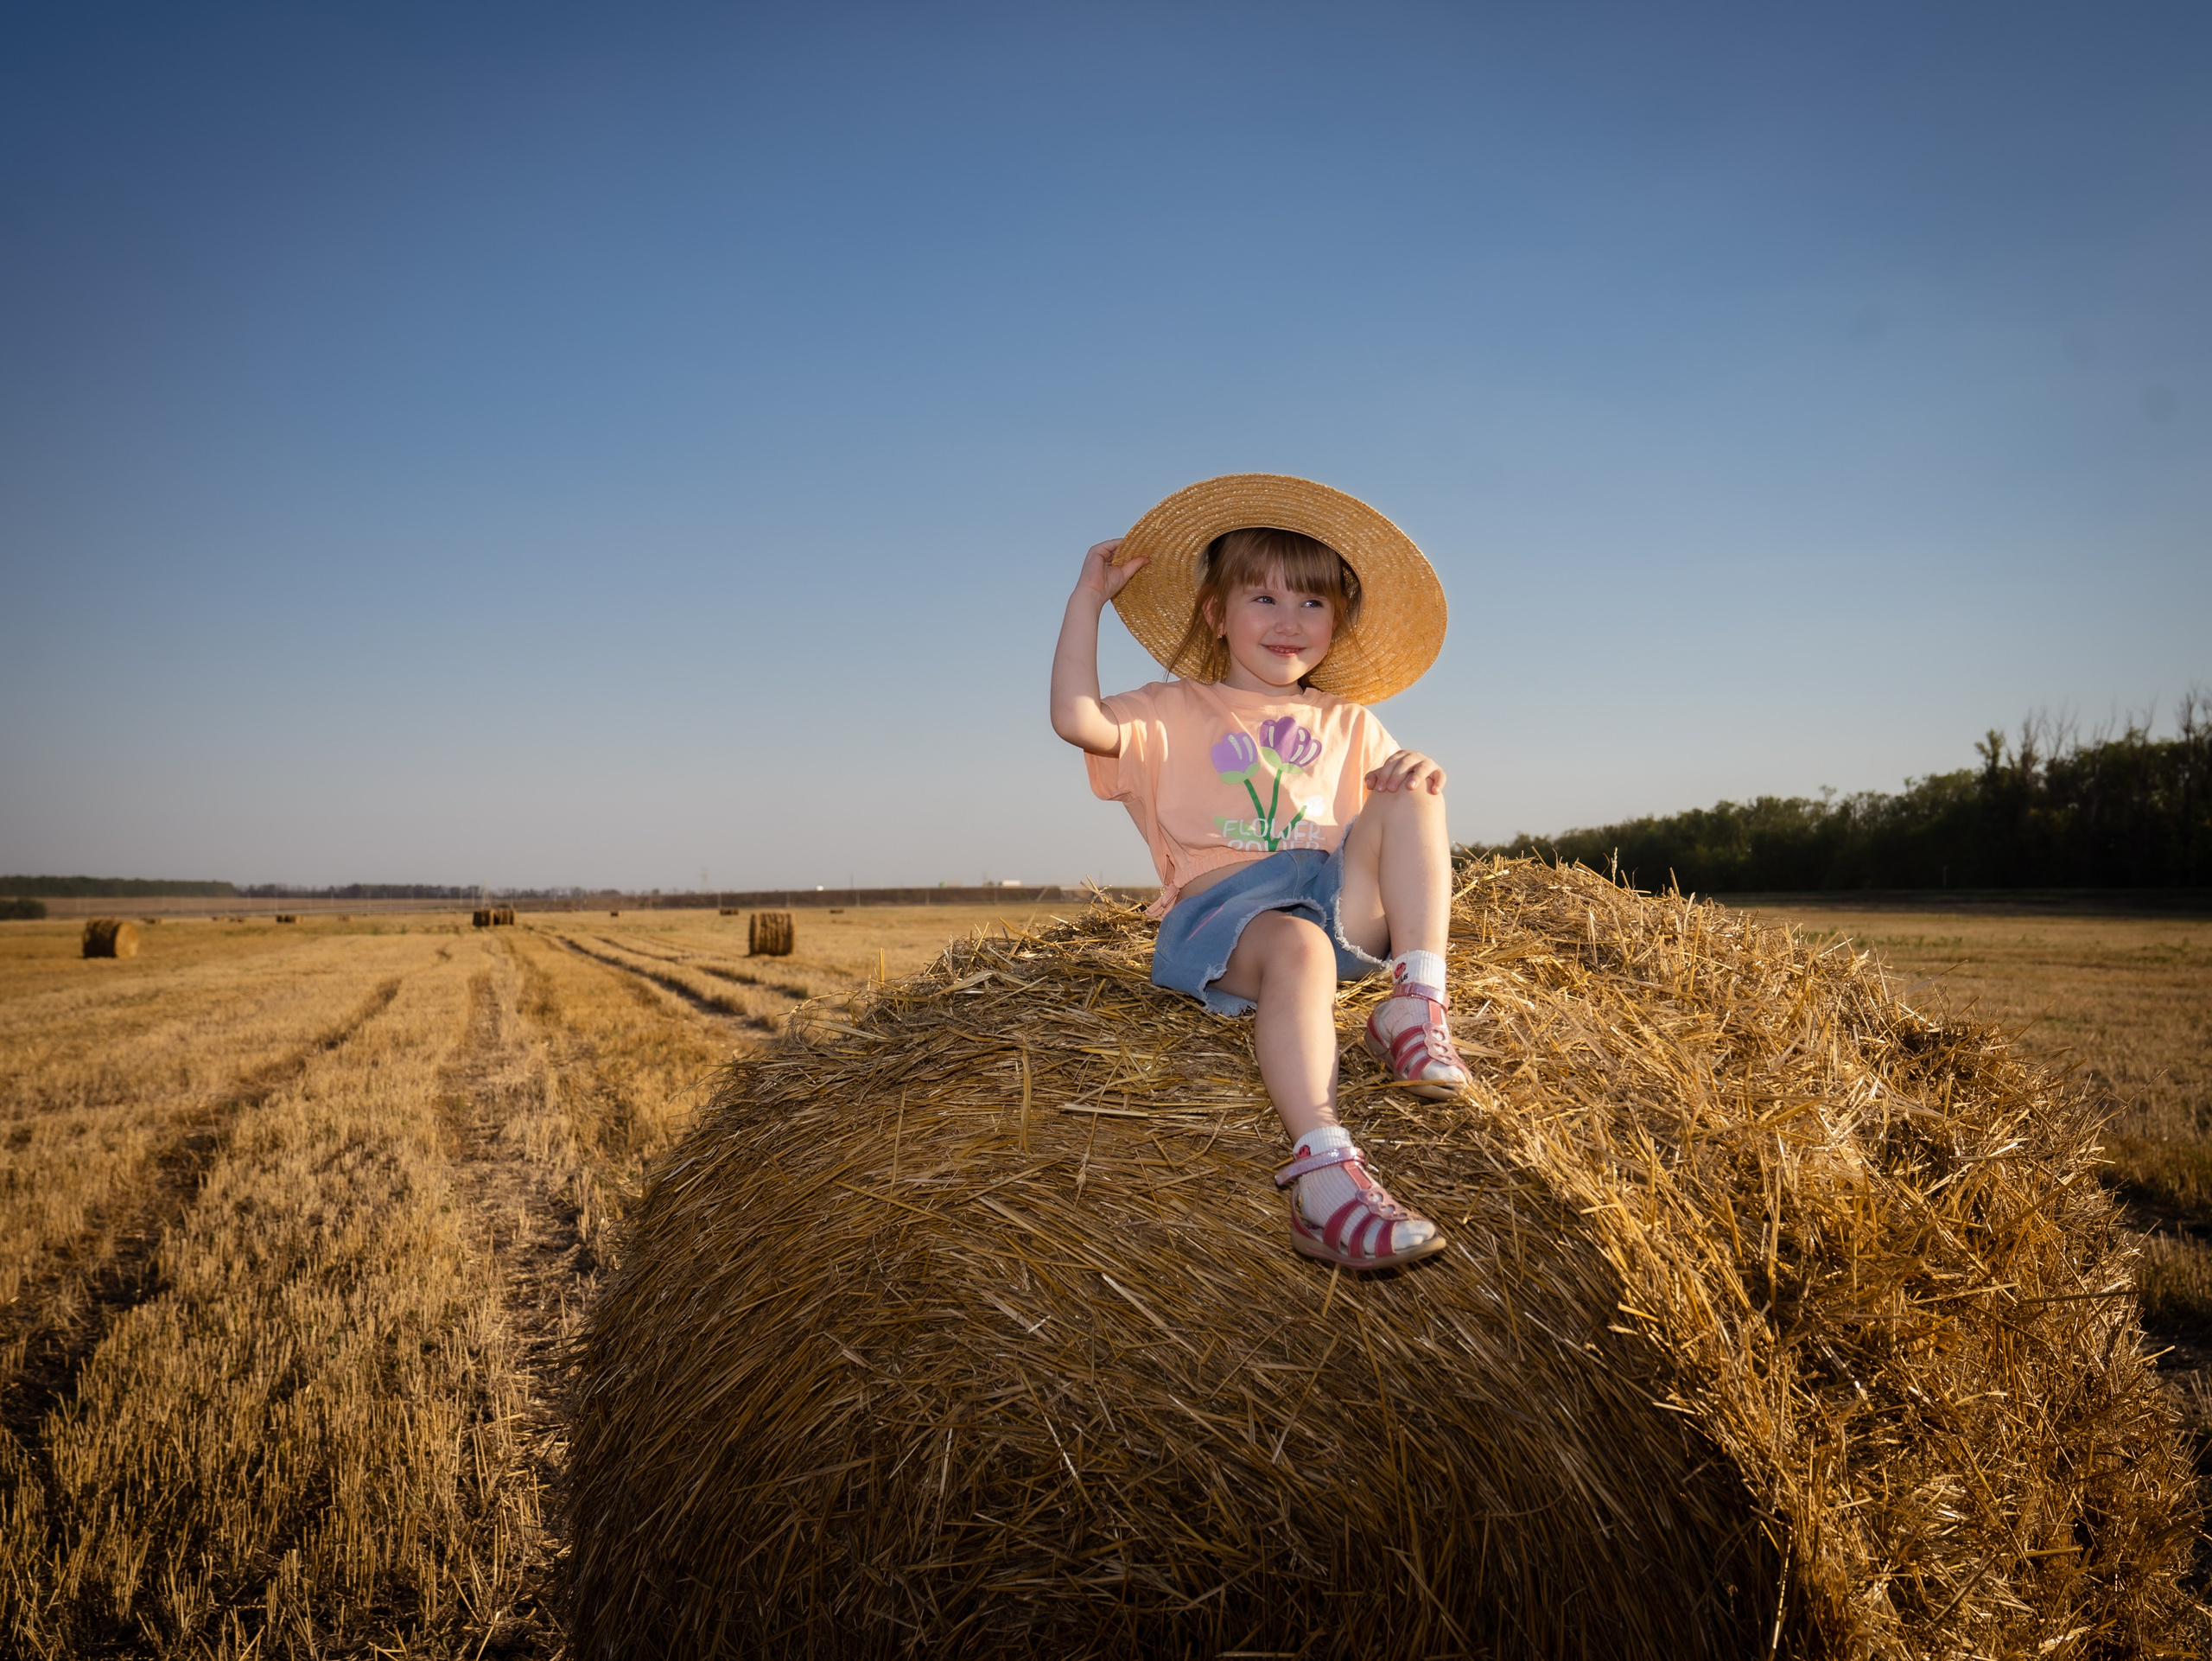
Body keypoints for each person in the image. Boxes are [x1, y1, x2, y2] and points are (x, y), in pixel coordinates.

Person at [1050, 474, 1469, 1271]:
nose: (1289, 622)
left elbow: (1395, 840)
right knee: (1299, 953)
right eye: (1264, 600)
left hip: (1334, 897)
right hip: (1230, 915)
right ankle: (1324, 1174)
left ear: (1337, 623)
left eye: (1312, 604)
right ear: (1217, 614)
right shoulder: (1170, 708)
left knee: (1416, 790)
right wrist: (1088, 600)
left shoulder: (1350, 721)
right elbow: (1075, 719)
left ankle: (1415, 1004)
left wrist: (1416, 769)